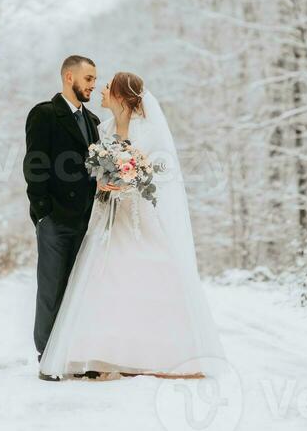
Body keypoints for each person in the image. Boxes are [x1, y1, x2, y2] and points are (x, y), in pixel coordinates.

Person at [37, 71, 226, 380]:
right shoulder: (103, 127)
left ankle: (160, 354)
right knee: (103, 276)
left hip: (138, 215)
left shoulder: (147, 130)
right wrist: (103, 181)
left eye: (107, 87)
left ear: (121, 96)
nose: (101, 90)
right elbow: (95, 171)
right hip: (107, 214)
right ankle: (100, 355)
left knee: (144, 273)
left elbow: (159, 170)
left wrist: (132, 178)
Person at [23, 55, 100, 368]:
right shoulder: (45, 114)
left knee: (78, 286)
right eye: (89, 79)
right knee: (52, 286)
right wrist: (43, 212)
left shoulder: (93, 121)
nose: (93, 85)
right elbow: (34, 165)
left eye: (94, 79)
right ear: (70, 77)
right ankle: (46, 356)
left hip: (86, 218)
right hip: (55, 218)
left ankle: (72, 351)